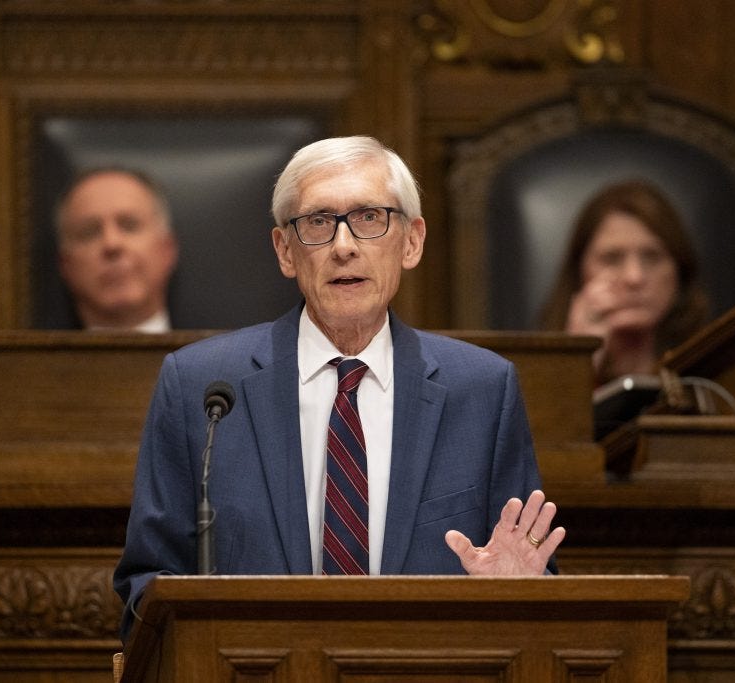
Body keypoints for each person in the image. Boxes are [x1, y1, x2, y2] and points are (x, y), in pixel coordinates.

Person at [113, 135, 564, 642]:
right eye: (318, 223)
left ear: (411, 241)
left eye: (370, 218)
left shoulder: (482, 390)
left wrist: (514, 598)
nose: (344, 246)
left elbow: (528, 575)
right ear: (286, 251)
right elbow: (146, 584)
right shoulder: (202, 388)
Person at [539, 180, 710, 387]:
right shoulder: (530, 375)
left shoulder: (714, 371)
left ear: (680, 271)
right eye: (612, 258)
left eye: (652, 257)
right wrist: (579, 359)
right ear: (579, 272)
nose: (634, 277)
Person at [55, 167, 179, 332]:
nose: (111, 244)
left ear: (167, 250)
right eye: (89, 232)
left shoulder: (217, 356)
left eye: (129, 225)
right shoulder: (28, 358)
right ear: (66, 265)